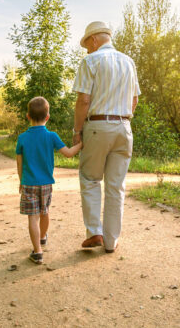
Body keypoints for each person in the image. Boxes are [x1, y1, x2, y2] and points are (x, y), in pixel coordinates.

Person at [72, 21, 140, 253]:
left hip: (98, 126)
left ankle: (95, 233)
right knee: (116, 186)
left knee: (90, 179)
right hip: (124, 126)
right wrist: (123, 118)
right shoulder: (129, 62)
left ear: (93, 40)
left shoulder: (90, 61)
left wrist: (77, 131)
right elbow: (134, 100)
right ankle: (111, 241)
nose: (87, 50)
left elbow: (83, 100)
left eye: (87, 45)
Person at [16, 96, 82, 264]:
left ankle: (37, 251)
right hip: (46, 183)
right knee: (44, 212)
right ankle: (43, 237)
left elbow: (19, 162)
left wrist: (21, 181)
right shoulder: (51, 136)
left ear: (28, 116)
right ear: (47, 117)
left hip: (29, 183)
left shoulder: (22, 138)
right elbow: (68, 153)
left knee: (33, 217)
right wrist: (82, 144)